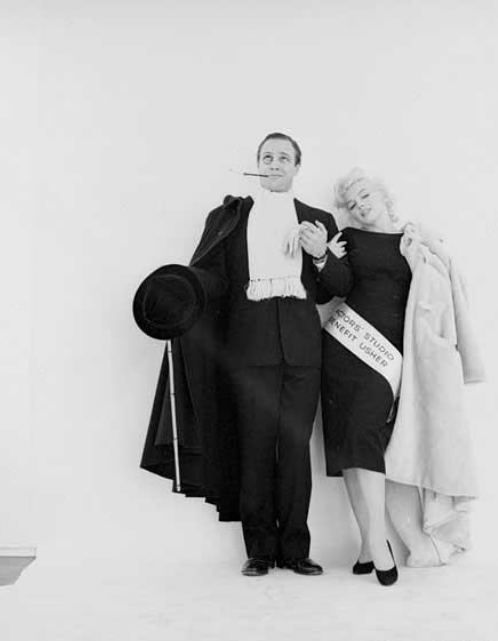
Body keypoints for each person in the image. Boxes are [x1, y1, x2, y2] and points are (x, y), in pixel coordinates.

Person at [133, 132, 339, 578]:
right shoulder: (232, 218)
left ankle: (296, 550)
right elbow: (213, 280)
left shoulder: (319, 220)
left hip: (303, 353)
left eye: (284, 157)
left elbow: (339, 286)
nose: (275, 162)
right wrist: (178, 294)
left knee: (297, 450)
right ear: (257, 165)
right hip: (250, 350)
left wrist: (320, 254)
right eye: (267, 156)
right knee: (257, 449)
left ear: (297, 167)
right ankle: (260, 551)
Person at [299, 168, 485, 585]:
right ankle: (373, 544)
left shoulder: (413, 238)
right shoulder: (350, 240)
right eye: (352, 202)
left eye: (365, 195)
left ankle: (374, 543)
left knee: (367, 438)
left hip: (391, 357)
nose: (360, 205)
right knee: (349, 443)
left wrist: (425, 252)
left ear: (383, 195)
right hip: (346, 348)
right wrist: (323, 258)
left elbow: (440, 287)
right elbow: (337, 287)